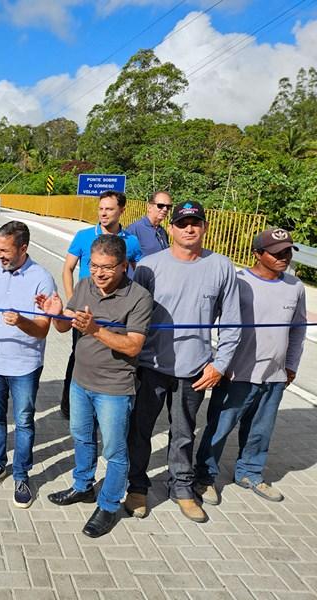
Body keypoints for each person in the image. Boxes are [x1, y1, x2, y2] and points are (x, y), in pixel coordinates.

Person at [126, 201, 242, 523]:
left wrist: (219, 364)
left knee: (184, 433)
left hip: (195, 369)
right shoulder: (149, 265)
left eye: (195, 222)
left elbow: (232, 323)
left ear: (204, 226)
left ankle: (181, 487)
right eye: (182, 223)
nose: (189, 228)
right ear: (172, 228)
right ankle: (136, 486)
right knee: (140, 430)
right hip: (150, 366)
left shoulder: (221, 266)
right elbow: (133, 315)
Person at [43, 235, 153, 537]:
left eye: (106, 268)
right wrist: (54, 312)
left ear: (123, 266)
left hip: (114, 388)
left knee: (115, 450)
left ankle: (108, 505)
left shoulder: (139, 297)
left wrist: (95, 330)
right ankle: (83, 486)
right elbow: (65, 327)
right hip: (81, 381)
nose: (99, 273)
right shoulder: (84, 286)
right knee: (81, 437)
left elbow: (132, 347)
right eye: (93, 266)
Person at [194, 228, 307, 504]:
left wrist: (290, 365)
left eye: (288, 251)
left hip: (274, 375)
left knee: (260, 429)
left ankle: (250, 472)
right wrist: (217, 363)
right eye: (277, 252)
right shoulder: (239, 282)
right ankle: (205, 476)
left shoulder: (295, 287)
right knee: (219, 427)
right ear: (257, 254)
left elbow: (298, 330)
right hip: (236, 373)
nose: (284, 257)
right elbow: (208, 320)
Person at [0, 221, 54, 509]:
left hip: (25, 365)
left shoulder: (42, 278)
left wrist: (21, 321)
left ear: (23, 248)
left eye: (5, 250)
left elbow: (43, 330)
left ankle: (22, 475)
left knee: (23, 421)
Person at [59, 191, 142, 420]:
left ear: (122, 210)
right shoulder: (84, 235)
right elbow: (67, 269)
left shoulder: (131, 241)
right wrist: (73, 301)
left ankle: (111, 405)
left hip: (117, 312)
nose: (103, 213)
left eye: (109, 209)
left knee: (114, 354)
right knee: (79, 355)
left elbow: (139, 272)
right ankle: (70, 406)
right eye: (101, 209)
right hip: (85, 310)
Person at [125, 191, 172, 257]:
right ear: (149, 207)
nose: (165, 209)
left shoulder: (162, 231)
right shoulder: (134, 229)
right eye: (160, 206)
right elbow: (124, 258)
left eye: (168, 206)